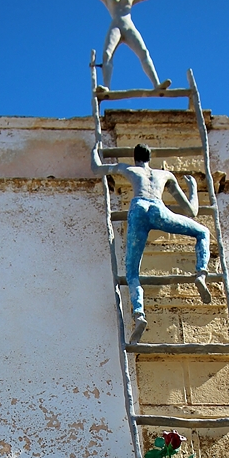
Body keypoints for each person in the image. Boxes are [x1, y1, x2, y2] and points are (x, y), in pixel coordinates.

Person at [91, 142, 211, 342]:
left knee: (131, 272)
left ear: (135, 158)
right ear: (150, 158)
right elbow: (192, 211)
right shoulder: (164, 175)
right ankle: (201, 273)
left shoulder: (128, 169)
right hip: (159, 208)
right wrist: (193, 188)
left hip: (139, 208)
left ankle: (139, 314)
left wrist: (95, 151)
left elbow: (97, 169)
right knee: (203, 232)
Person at [52, 0, 186, 90]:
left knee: (144, 52)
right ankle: (106, 87)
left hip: (129, 26)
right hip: (115, 26)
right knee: (107, 54)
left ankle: (156, 84)